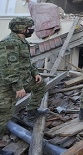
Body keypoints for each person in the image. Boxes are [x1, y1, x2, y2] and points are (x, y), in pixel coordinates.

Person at [0, 17, 46, 155]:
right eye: (28, 27)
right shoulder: (9, 43)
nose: (30, 30)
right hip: (7, 86)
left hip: (22, 80)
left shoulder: (22, 42)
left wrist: (35, 73)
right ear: (21, 28)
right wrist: (18, 87)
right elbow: (8, 68)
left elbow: (27, 62)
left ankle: (31, 113)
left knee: (40, 85)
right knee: (4, 115)